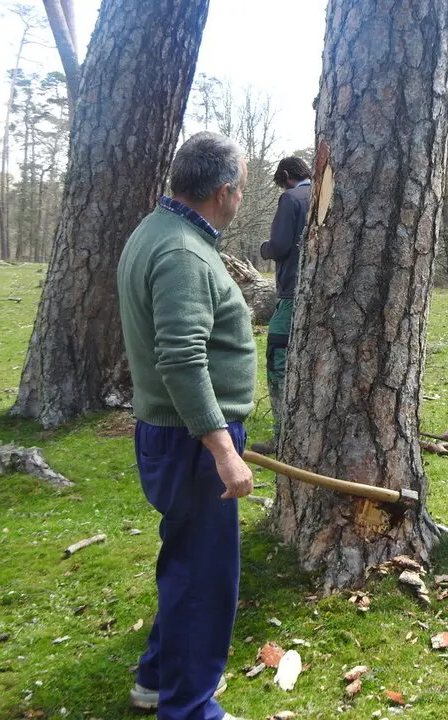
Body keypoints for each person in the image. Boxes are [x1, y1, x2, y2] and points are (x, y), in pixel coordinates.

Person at [117, 131, 254, 720]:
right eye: (242, 188)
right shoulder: (182, 254)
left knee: (184, 562)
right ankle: (189, 708)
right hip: (195, 440)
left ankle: (156, 679)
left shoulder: (159, 231)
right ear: (223, 191)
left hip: (179, 435)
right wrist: (223, 450)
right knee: (204, 580)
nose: (242, 197)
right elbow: (180, 357)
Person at [250, 156, 312, 455]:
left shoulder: (292, 198)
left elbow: (280, 246)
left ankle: (283, 435)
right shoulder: (329, 192)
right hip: (323, 293)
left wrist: (265, 247)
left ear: (287, 176)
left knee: (278, 357)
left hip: (291, 293)